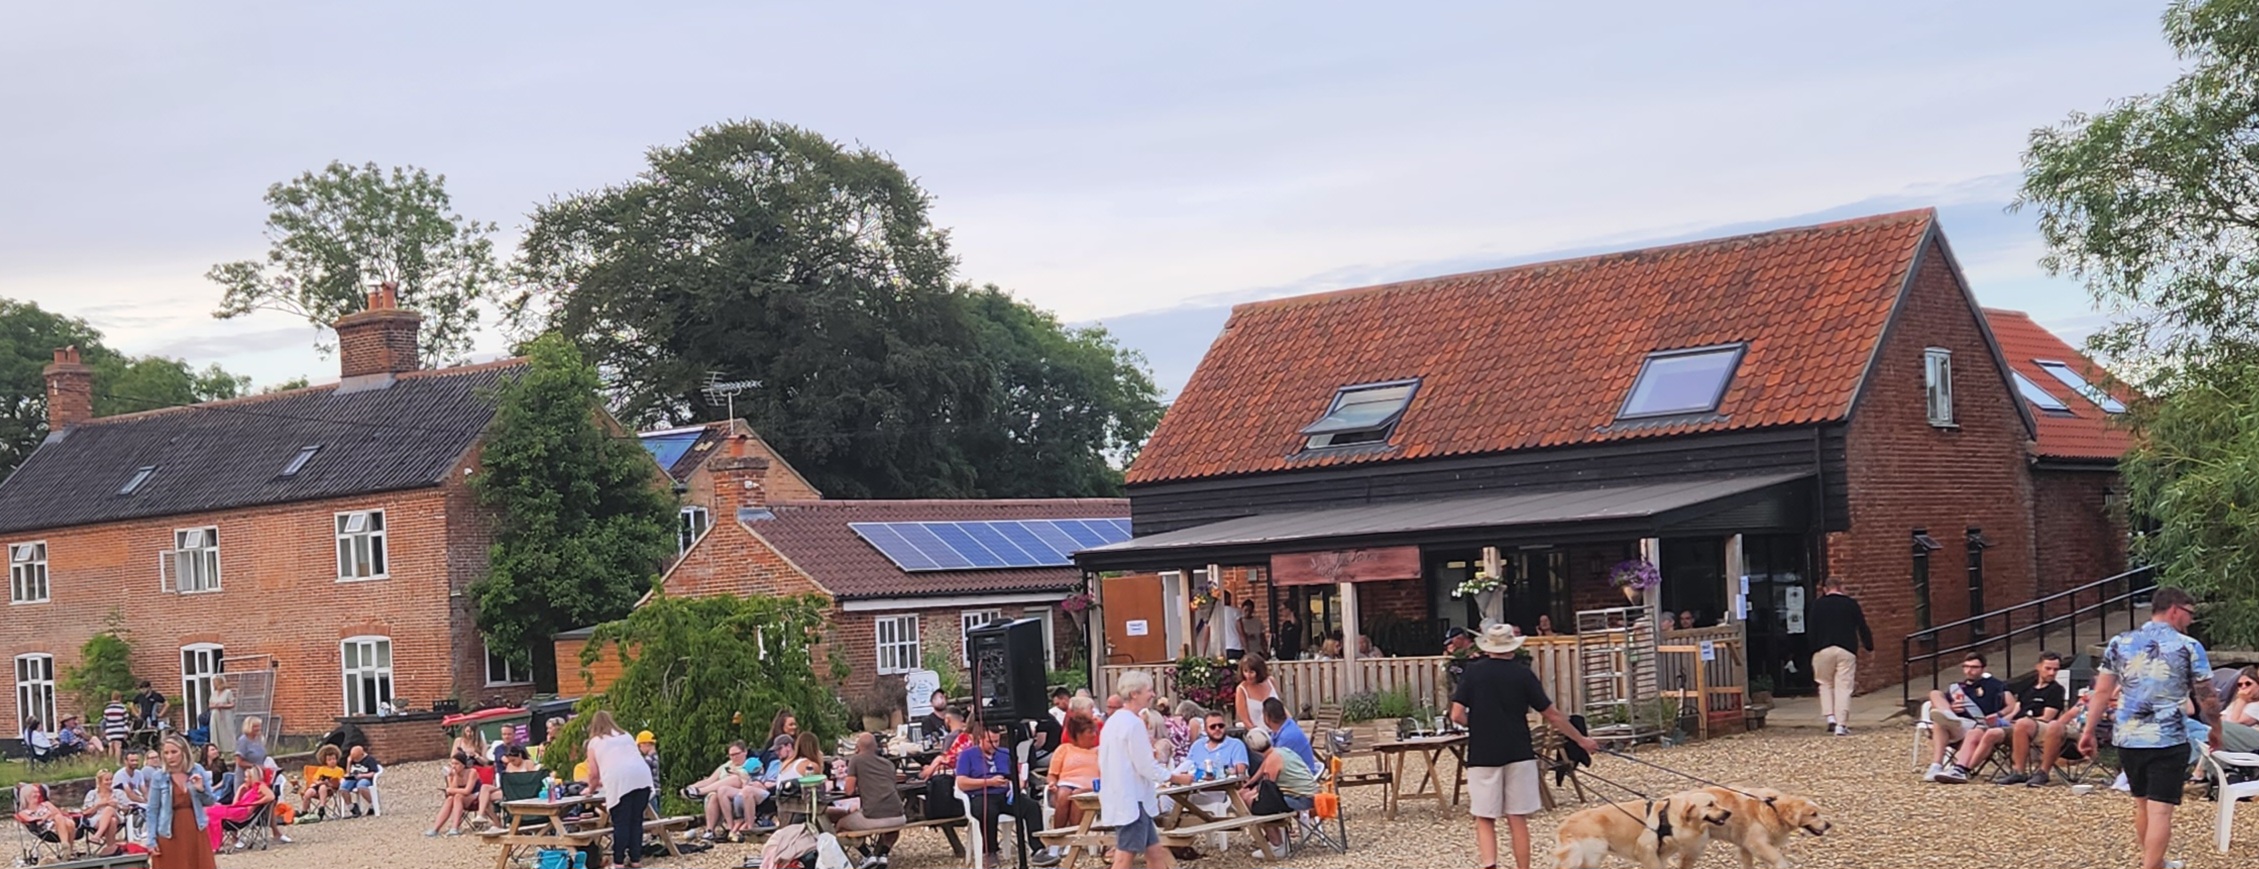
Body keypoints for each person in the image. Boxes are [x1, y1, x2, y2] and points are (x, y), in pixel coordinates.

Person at [2078, 587, 2220, 869]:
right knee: (2161, 811)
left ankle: (2156, 863)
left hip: (2128, 738)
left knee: (2142, 804)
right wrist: (2217, 728)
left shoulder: (2120, 642)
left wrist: (2088, 730)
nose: (2191, 621)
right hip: (2168, 738)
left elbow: (2102, 692)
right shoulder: (2188, 646)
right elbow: (2207, 696)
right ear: (2175, 610)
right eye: (2189, 614)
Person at [1453, 623, 1598, 869]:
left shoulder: (1473, 673)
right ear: (1512, 647)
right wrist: (1581, 740)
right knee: (1516, 816)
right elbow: (1552, 715)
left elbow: (1456, 715)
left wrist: (1477, 725)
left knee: (1485, 817)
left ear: (1488, 647)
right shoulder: (1523, 674)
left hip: (1483, 752)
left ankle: (1490, 865)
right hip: (1519, 751)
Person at [1100, 671, 1175, 869]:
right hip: (1133, 800)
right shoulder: (1133, 723)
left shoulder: (1112, 722)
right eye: (1148, 690)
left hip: (1127, 796)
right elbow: (1145, 766)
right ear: (1134, 694)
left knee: (1155, 852)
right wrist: (1174, 777)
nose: (1153, 694)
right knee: (1124, 856)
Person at [955, 723, 1046, 869]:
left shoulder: (1005, 753)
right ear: (980, 739)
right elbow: (961, 783)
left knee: (1032, 807)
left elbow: (1017, 775)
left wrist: (1017, 783)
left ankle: (1038, 849)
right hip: (981, 794)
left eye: (997, 741)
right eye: (990, 741)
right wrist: (989, 782)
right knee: (987, 811)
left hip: (1005, 794)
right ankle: (990, 851)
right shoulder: (967, 755)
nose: (994, 745)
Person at [1923, 653, 2015, 784]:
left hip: (1979, 724)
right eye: (1966, 667)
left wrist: (1998, 715)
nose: (1969, 670)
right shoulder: (1957, 687)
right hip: (1958, 723)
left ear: (1983, 669)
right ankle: (1936, 765)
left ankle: (1939, 765)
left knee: (1940, 724)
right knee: (1935, 694)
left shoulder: (1995, 685)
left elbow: (2011, 705)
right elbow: (1935, 704)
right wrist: (1952, 708)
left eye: (1974, 667)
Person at [585, 710, 657, 869]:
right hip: (642, 777)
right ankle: (635, 859)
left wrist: (590, 790)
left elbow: (593, 774)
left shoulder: (595, 742)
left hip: (619, 782)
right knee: (636, 820)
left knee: (621, 822)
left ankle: (618, 861)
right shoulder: (626, 736)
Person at [1807, 576, 1875, 737]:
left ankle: (1830, 717)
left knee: (1824, 683)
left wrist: (1812, 649)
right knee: (1844, 686)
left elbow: (1811, 629)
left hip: (1823, 649)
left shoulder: (1817, 605)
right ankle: (1841, 724)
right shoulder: (1850, 604)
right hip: (1846, 648)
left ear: (1825, 589)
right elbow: (1862, 626)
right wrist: (1869, 645)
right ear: (1841, 587)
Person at [832, 732, 908, 867]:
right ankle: (883, 854)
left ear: (857, 747)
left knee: (840, 825)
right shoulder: (888, 764)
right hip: (899, 816)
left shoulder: (856, 760)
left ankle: (867, 855)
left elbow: (849, 790)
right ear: (876, 747)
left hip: (873, 816)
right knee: (892, 827)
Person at [1996, 651, 2070, 785]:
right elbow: (2016, 709)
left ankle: (2024, 771)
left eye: (2055, 670)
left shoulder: (2056, 690)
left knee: (2022, 724)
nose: (2052, 673)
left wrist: (2020, 722)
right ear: (2038, 667)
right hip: (2018, 724)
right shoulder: (2027, 686)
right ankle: (1964, 769)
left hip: (2039, 726)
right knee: (1989, 731)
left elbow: (2047, 718)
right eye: (2048, 668)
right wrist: (2003, 720)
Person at [1238, 729, 1317, 854]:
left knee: (1256, 805)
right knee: (1247, 796)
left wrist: (1249, 794)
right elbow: (1262, 770)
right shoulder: (1281, 751)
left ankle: (1278, 844)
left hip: (1300, 799)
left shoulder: (1272, 760)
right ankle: (1277, 840)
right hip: (1311, 795)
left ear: (1252, 749)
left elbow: (1268, 790)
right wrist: (1249, 785)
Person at [143, 734, 216, 869]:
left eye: (174, 752)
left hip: (195, 828)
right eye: (166, 753)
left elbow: (210, 801)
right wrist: (151, 840)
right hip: (169, 830)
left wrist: (200, 789)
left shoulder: (197, 770)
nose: (170, 757)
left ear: (184, 752)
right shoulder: (159, 776)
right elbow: (152, 810)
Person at [1045, 713, 1102, 853]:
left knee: (1077, 795)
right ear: (1078, 734)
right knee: (1064, 794)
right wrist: (1052, 784)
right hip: (1065, 784)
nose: (1094, 735)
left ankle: (1072, 841)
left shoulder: (1099, 752)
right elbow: (1052, 774)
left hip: (1089, 788)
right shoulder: (1064, 749)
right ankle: (1057, 840)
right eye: (1090, 732)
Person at [687, 741, 760, 841]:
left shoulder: (750, 764)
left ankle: (699, 792)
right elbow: (709, 780)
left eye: (737, 754)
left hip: (740, 791)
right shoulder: (727, 765)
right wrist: (690, 787)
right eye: (731, 755)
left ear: (745, 752)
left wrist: (738, 774)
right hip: (721, 792)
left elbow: (754, 779)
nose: (734, 757)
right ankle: (710, 830)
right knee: (714, 796)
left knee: (733, 779)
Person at [206, 759, 273, 852]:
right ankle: (213, 843)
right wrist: (240, 790)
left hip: (243, 813)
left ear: (253, 777)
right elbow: (234, 804)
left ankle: (215, 845)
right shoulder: (250, 789)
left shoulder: (260, 786)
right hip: (237, 810)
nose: (245, 780)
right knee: (209, 811)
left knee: (210, 812)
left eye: (247, 777)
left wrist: (256, 803)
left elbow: (271, 796)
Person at [15, 783, 80, 857]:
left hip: (60, 825)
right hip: (46, 830)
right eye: (34, 792)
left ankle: (65, 847)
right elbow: (34, 821)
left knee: (68, 822)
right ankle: (68, 848)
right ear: (27, 795)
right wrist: (48, 815)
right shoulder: (23, 812)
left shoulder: (46, 804)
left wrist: (47, 817)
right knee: (66, 821)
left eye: (38, 792)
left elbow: (58, 813)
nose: (38, 794)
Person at [424, 756, 479, 837]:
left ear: (463, 765)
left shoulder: (472, 772)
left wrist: (451, 790)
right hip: (459, 798)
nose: (453, 766)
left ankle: (454, 828)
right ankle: (436, 828)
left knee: (458, 797)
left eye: (456, 764)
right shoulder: (451, 774)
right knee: (450, 799)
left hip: (475, 796)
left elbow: (467, 791)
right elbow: (451, 792)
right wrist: (454, 776)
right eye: (452, 764)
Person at [1260, 699, 1319, 773]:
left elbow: (1273, 764)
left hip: (1302, 776)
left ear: (1267, 718)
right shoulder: (1287, 725)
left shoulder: (1286, 737)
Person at [81, 769, 126, 856]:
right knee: (112, 821)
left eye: (111, 779)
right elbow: (85, 813)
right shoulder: (92, 794)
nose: (110, 782)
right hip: (97, 819)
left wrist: (117, 806)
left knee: (109, 809)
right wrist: (99, 805)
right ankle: (111, 848)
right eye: (107, 780)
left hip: (117, 815)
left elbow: (128, 809)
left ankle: (97, 835)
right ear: (100, 782)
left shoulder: (118, 793)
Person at [1234, 655, 1279, 730]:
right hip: (1256, 732)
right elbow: (1245, 720)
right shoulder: (1241, 690)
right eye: (1245, 671)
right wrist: (1257, 733)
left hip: (1277, 731)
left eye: (1251, 672)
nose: (1248, 675)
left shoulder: (1271, 681)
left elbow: (1281, 707)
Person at [301, 744, 345, 817]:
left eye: (334, 759)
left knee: (323, 787)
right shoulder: (322, 769)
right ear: (325, 761)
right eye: (329, 760)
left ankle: (322, 807)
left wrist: (329, 783)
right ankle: (304, 811)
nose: (332, 761)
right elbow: (315, 779)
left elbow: (340, 781)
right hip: (318, 786)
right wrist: (318, 782)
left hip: (330, 789)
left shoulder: (340, 770)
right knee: (308, 793)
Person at [341, 744, 381, 816]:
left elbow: (373, 773)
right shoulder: (352, 760)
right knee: (343, 788)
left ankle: (373, 804)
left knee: (361, 786)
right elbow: (348, 772)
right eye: (353, 759)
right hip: (353, 779)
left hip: (365, 778)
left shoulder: (370, 760)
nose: (355, 761)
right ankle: (352, 808)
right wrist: (349, 762)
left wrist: (362, 775)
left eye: (357, 759)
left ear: (362, 754)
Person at [205, 676, 236, 747]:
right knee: (215, 731)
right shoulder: (214, 693)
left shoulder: (228, 692)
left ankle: (228, 747)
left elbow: (232, 704)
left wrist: (223, 705)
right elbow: (210, 705)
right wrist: (215, 706)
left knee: (226, 731)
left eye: (215, 683)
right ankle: (216, 746)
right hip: (215, 715)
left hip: (225, 715)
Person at [1215, 590, 1246, 662]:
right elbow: (1241, 632)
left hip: (1221, 647)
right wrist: (1246, 649)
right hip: (1236, 646)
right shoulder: (1235, 612)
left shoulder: (1216, 613)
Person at [102, 692, 131, 761]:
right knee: (118, 746)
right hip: (119, 729)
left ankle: (110, 761)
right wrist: (126, 731)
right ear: (119, 698)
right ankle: (117, 762)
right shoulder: (122, 707)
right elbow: (126, 720)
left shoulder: (107, 708)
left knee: (111, 746)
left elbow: (105, 720)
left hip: (110, 730)